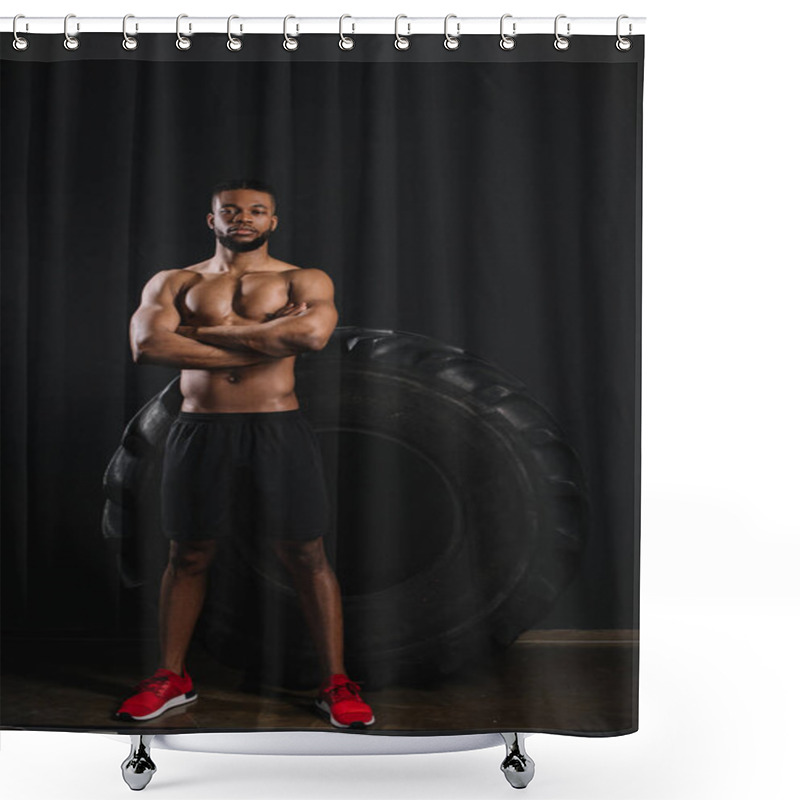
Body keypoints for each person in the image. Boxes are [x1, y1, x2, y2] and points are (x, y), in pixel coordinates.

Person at [114, 179, 374, 729]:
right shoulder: (174, 281)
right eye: (230, 210)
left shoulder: (303, 279)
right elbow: (148, 345)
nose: (244, 218)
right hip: (199, 428)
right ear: (212, 219)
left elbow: (310, 339)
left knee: (306, 554)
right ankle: (171, 676)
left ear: (273, 221)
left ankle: (336, 681)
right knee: (189, 553)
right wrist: (264, 333)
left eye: (257, 211)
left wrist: (205, 330)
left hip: (277, 426)